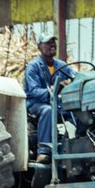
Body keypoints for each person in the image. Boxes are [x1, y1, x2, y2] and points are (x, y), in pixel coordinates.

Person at [24, 31, 75, 164]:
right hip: (35, 104)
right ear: (40, 47)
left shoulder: (61, 65)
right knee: (47, 111)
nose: (52, 45)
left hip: (56, 103)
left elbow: (74, 76)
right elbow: (34, 91)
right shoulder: (33, 67)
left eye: (53, 42)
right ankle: (43, 151)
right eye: (48, 43)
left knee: (76, 111)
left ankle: (79, 144)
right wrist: (53, 90)